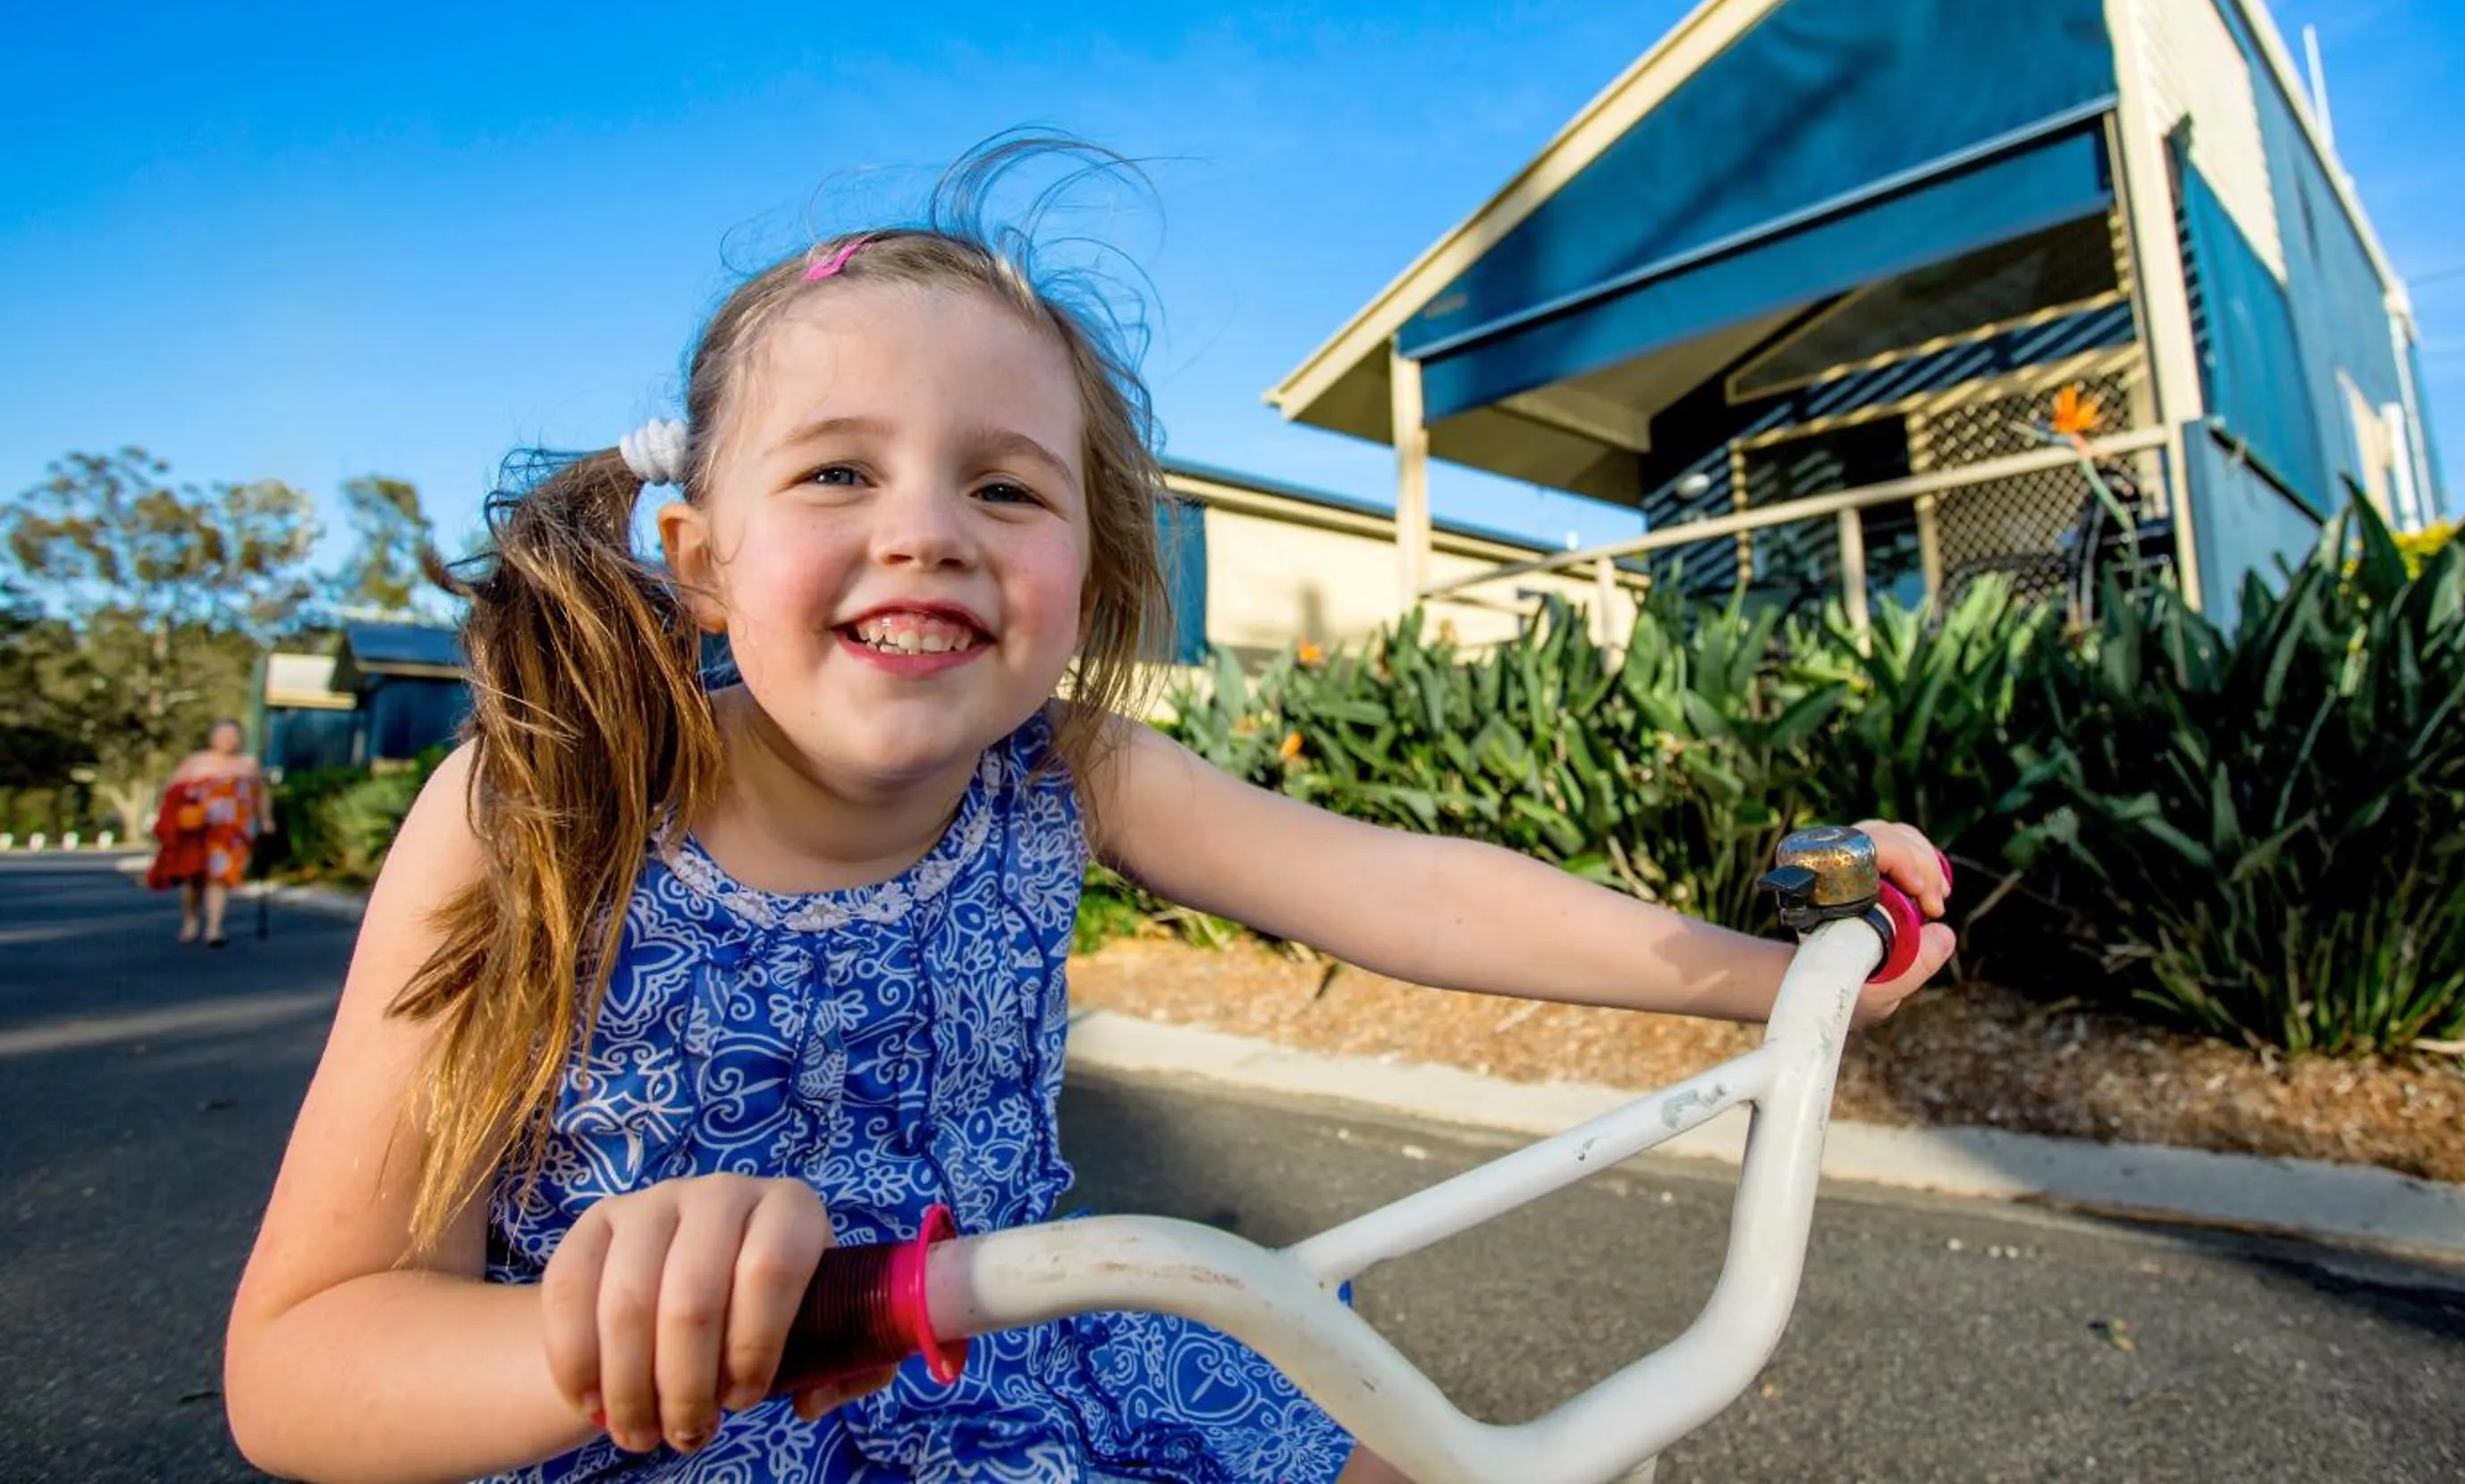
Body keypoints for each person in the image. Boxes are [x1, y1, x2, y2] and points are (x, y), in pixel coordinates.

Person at [223, 147, 1956, 1484]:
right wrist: (607, 1336)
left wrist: (1775, 975)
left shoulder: (1062, 768)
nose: (928, 527)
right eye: (838, 470)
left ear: (1087, 566)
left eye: (1004, 484)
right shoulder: (540, 803)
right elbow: (299, 1361)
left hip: (1059, 1366)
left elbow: (1404, 889)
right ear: (700, 561)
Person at [148, 717, 272, 946]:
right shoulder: (196, 762)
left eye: (232, 736)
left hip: (231, 830)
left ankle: (214, 928)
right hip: (197, 829)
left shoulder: (248, 764)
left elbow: (260, 793)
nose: (227, 741)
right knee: (193, 877)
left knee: (219, 876)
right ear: (213, 738)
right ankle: (190, 921)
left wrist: (265, 819)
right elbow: (173, 793)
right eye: (223, 736)